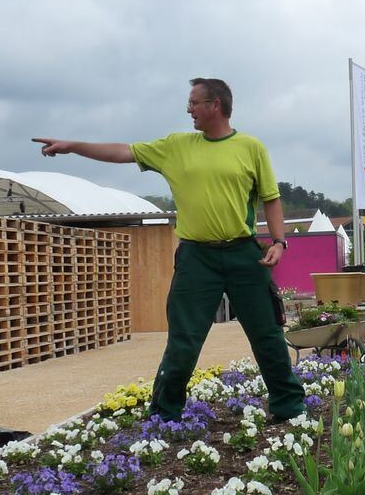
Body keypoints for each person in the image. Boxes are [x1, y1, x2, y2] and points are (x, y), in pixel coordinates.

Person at [33, 78, 306, 422]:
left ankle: (289, 407)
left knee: (267, 334)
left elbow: (271, 198)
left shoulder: (251, 148)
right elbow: (124, 151)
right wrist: (74, 146)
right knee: (184, 340)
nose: (188, 109)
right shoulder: (176, 146)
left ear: (216, 105)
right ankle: (164, 415)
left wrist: (279, 242)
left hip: (244, 253)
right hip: (196, 258)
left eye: (194, 103)